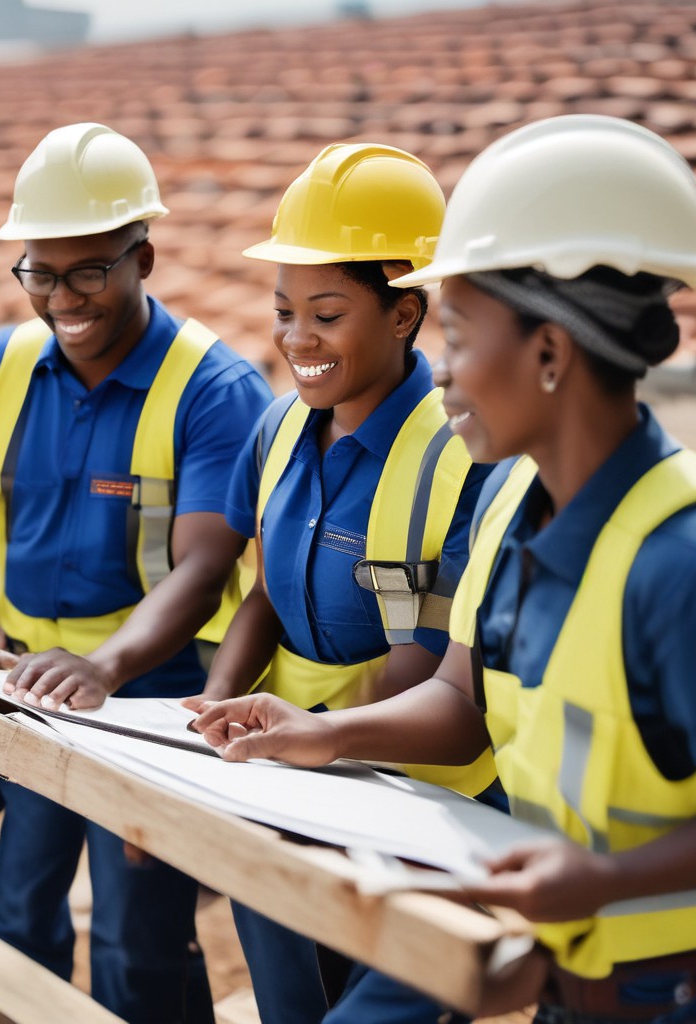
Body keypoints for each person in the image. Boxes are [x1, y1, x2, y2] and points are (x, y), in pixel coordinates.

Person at [185, 114, 696, 1024]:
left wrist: (607, 878)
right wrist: (317, 733)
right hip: (569, 973)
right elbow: (459, 702)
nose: (441, 376)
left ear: (551, 354)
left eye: (463, 337)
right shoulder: (510, 510)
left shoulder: (689, 562)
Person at [0, 122, 273, 1024]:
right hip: (14, 670)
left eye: (88, 272)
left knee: (134, 934)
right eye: (40, 272)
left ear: (143, 258)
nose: (61, 296)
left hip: (152, 692)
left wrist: (106, 669)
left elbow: (204, 567)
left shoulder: (212, 390)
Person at [198, 142, 493, 1024]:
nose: (296, 340)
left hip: (419, 795)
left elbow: (426, 670)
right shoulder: (280, 429)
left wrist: (309, 751)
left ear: (405, 313)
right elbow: (261, 596)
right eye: (285, 310)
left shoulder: (459, 456)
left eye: (327, 313)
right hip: (293, 766)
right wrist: (213, 709)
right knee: (291, 991)